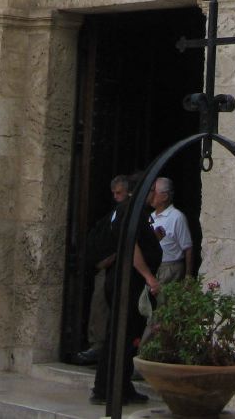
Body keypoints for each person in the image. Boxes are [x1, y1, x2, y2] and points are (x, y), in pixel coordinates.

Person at [90, 174, 161, 408]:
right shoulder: (131, 211)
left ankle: (121, 386)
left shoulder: (130, 210)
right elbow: (132, 247)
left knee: (127, 336)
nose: (154, 194)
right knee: (121, 335)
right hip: (127, 283)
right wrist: (149, 277)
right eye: (152, 189)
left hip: (125, 281)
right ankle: (107, 388)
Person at [76, 174, 129, 365]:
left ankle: (107, 348)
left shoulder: (128, 212)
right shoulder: (114, 212)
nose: (116, 197)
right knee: (99, 305)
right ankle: (97, 345)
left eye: (119, 193)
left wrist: (111, 258)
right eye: (114, 193)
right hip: (103, 269)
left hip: (118, 268)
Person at [148, 178, 193, 286]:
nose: (151, 195)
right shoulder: (150, 217)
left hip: (170, 269)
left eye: (154, 192)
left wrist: (188, 276)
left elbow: (188, 248)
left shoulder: (177, 217)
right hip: (153, 268)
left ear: (165, 196)